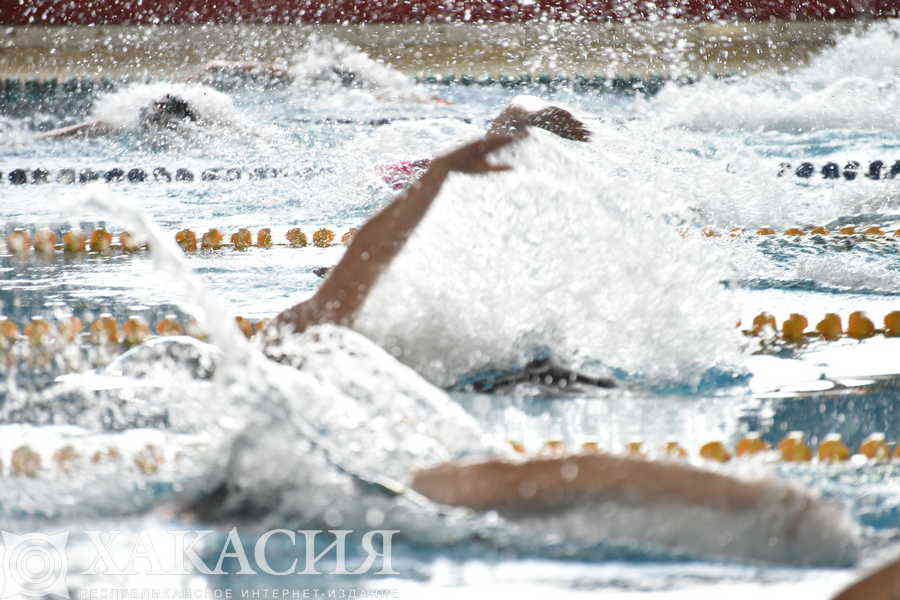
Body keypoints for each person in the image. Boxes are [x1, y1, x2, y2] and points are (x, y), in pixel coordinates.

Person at [35, 93, 206, 140]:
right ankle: (45, 136)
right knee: (95, 126)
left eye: (162, 109)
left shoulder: (184, 126)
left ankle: (45, 137)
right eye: (157, 107)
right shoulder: (130, 121)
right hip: (134, 126)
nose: (158, 110)